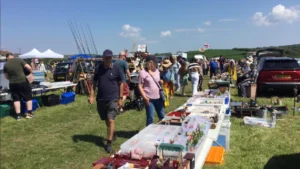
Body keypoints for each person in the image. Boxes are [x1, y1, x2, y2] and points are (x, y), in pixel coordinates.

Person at [88, 49, 124, 153]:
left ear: (112, 58)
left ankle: (108, 143)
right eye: (106, 57)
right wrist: (91, 96)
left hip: (113, 99)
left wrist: (120, 98)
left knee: (111, 119)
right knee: (106, 120)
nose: (108, 59)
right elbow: (94, 83)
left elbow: (121, 83)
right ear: (103, 58)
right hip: (101, 99)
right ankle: (113, 133)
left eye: (110, 57)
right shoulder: (98, 68)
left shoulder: (116, 69)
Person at [3, 53, 34, 120]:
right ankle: (29, 114)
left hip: (12, 84)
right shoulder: (19, 60)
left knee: (16, 99)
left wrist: (12, 78)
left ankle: (18, 116)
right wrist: (31, 73)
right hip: (22, 82)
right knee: (28, 98)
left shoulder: (5, 64)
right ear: (13, 56)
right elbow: (28, 67)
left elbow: (6, 77)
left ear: (7, 58)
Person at [138, 55, 165, 126]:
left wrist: (161, 82)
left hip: (159, 97)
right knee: (150, 118)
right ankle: (149, 134)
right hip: (149, 98)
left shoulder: (157, 71)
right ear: (150, 63)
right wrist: (145, 97)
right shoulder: (142, 72)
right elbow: (140, 86)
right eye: (155, 63)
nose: (156, 65)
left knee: (162, 116)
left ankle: (162, 130)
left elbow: (157, 82)